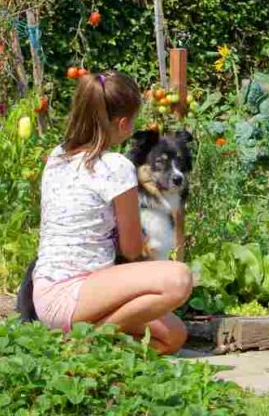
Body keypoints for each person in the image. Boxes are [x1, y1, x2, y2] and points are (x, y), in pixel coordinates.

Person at [32, 70, 192, 354]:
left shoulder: (58, 156)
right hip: (74, 293)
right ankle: (86, 341)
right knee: (178, 278)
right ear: (122, 123)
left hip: (47, 291)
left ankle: (91, 345)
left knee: (173, 335)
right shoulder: (115, 166)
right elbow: (131, 250)